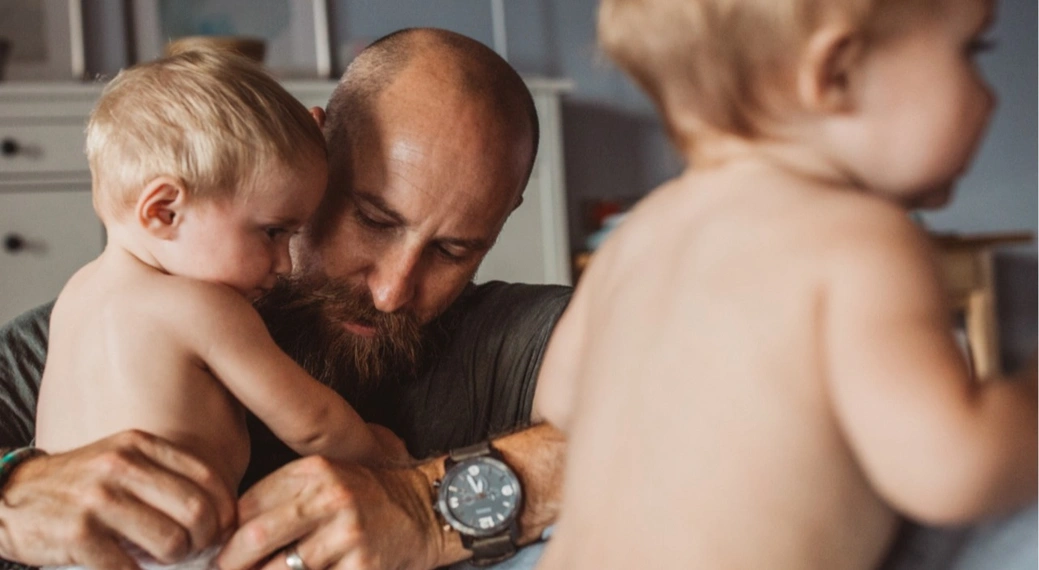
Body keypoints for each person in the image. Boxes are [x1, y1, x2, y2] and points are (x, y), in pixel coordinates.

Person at [0, 29, 569, 570]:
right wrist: (12, 490)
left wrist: (427, 508)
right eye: (372, 219)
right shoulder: (48, 348)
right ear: (313, 150)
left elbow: (656, 411)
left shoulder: (506, 338)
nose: (392, 290)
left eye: (451, 251)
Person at [533, 0, 1037, 569]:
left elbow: (557, 400)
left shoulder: (635, 237)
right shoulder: (860, 236)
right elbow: (951, 468)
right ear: (838, 73)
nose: (989, 96)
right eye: (972, 51)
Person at [36, 49, 411, 568]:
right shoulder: (204, 308)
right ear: (164, 210)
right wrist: (385, 456)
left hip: (65, 549)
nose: (284, 262)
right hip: (172, 550)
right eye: (273, 232)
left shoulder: (74, 298)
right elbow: (313, 423)